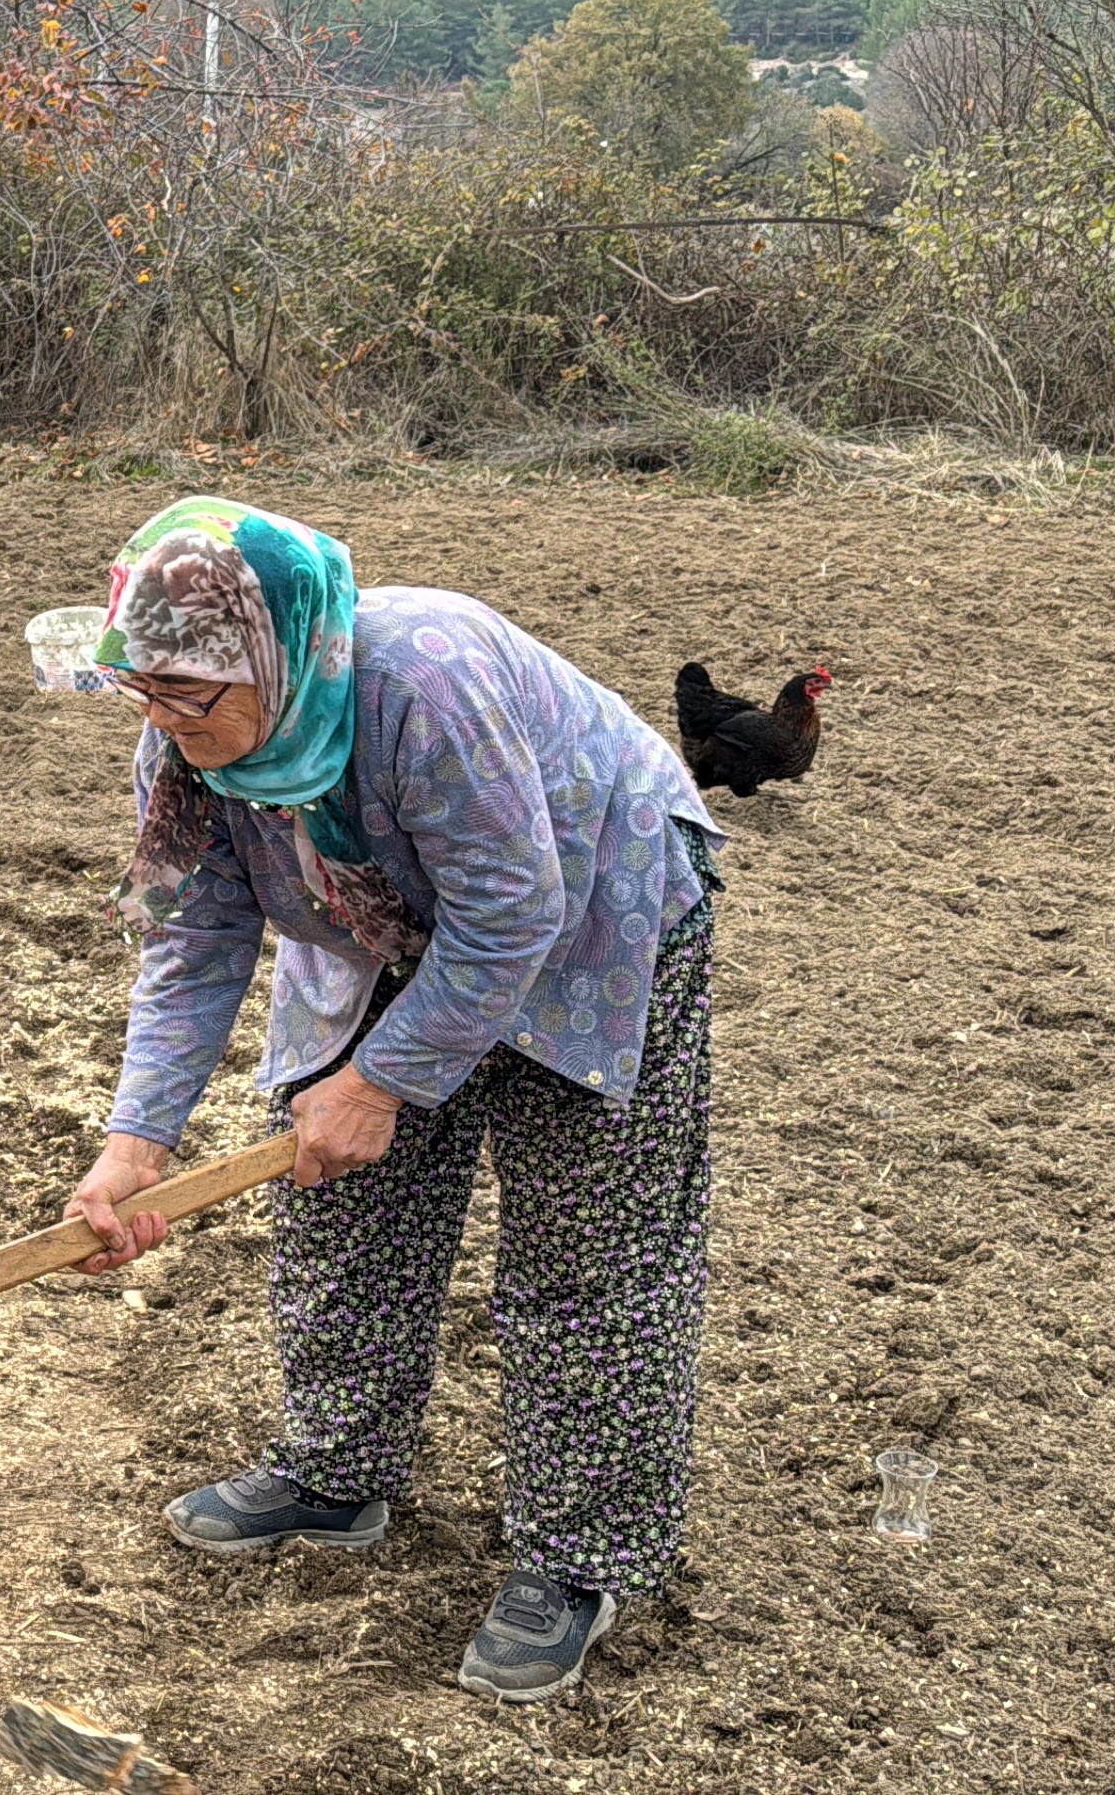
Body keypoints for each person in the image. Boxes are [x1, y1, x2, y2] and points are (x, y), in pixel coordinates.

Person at [52, 496, 722, 1705]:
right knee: (341, 1203)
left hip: (586, 909)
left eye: (189, 695)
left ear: (276, 648)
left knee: (589, 1247)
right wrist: (134, 1141)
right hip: (371, 921)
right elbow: (193, 941)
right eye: (142, 691)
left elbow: (517, 911)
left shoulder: (422, 683)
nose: (162, 719)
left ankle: (580, 1558)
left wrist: (383, 1079)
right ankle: (336, 1469)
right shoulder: (181, 737)